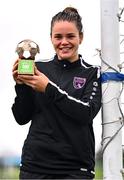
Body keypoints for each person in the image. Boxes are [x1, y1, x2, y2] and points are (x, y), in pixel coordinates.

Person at [12, 6, 101, 180]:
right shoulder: (39, 68)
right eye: (58, 37)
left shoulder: (92, 73)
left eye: (70, 36)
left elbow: (86, 113)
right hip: (34, 167)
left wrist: (48, 88)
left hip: (75, 170)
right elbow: (21, 117)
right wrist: (21, 86)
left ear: (80, 38)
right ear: (51, 38)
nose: (64, 42)